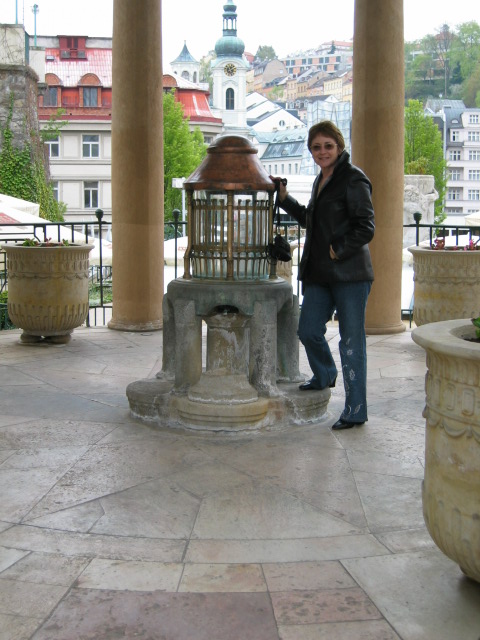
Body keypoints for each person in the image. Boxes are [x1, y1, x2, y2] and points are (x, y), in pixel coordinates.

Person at [272, 120, 375, 431]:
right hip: (320, 274)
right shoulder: (321, 179)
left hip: (350, 275)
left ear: (339, 146)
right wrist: (284, 198)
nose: (322, 152)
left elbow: (366, 227)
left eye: (328, 146)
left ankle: (355, 410)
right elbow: (310, 219)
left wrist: (337, 249)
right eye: (316, 147)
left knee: (351, 343)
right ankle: (325, 374)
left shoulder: (353, 178)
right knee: (308, 330)